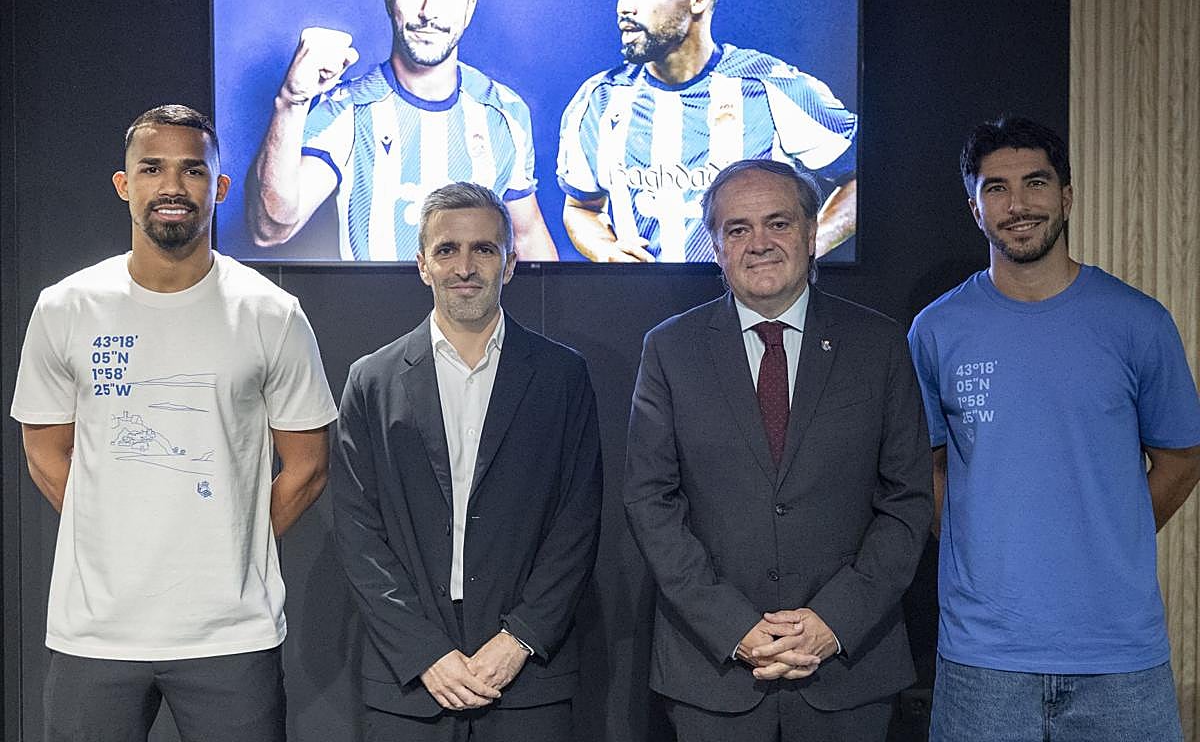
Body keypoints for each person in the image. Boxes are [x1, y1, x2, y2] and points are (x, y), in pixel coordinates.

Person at [10, 104, 337, 741]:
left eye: (192, 170)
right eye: (152, 168)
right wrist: (111, 535)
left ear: (220, 187)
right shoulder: (65, 308)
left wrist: (232, 542)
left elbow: (309, 466)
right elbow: (44, 453)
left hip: (231, 634)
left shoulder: (272, 313)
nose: (172, 186)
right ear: (123, 184)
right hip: (96, 633)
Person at [908, 117, 1200, 741]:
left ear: (1066, 196)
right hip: (982, 658)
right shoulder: (935, 330)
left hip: (1119, 655)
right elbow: (925, 468)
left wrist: (1109, 530)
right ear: (975, 208)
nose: (1017, 205)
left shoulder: (1138, 323)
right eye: (996, 188)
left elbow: (1180, 460)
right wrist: (979, 546)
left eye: (1035, 183)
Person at [624, 158, 931, 740]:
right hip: (713, 673)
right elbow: (650, 502)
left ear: (813, 233)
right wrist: (734, 627)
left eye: (778, 223)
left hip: (849, 670)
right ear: (716, 246)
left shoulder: (879, 344)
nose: (759, 243)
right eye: (738, 229)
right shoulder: (670, 350)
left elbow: (907, 501)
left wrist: (834, 621)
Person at [331, 182, 602, 740]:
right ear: (422, 265)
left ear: (510, 263)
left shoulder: (562, 377)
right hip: (409, 680)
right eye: (447, 250)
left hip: (531, 676)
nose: (464, 267)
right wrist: (424, 652)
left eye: (484, 249)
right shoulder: (372, 380)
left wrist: (520, 638)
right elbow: (358, 533)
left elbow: (577, 522)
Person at [249, 0, 558, 262]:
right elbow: (270, 230)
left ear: (469, 8)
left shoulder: (504, 111)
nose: (429, 11)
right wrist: (291, 100)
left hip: (475, 300)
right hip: (378, 300)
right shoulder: (349, 109)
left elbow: (528, 237)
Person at [557, 0, 858, 264]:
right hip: (641, 297)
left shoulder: (770, 85)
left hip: (747, 297)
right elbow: (580, 207)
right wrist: (606, 251)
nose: (624, 6)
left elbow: (866, 176)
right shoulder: (599, 99)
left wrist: (805, 248)